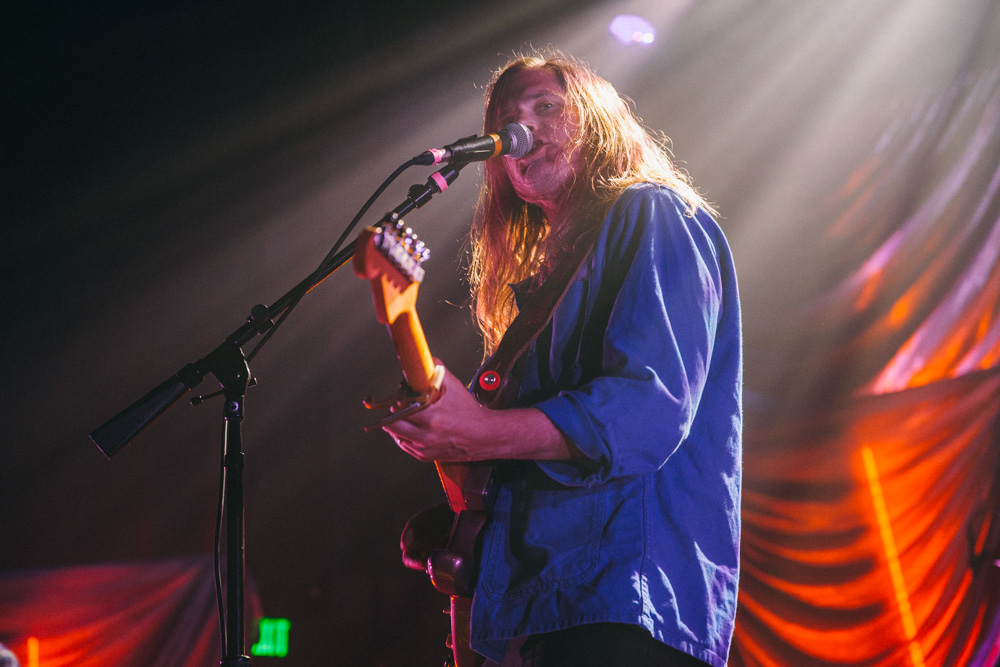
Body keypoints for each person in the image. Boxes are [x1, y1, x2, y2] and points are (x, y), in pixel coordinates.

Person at [383, 50, 742, 667]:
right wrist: (462, 508)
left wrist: (483, 431)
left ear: (598, 122)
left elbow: (647, 411)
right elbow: (528, 462)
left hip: (627, 602)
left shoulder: (653, 212)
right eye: (506, 117)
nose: (520, 129)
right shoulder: (543, 292)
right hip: (548, 610)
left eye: (546, 106)